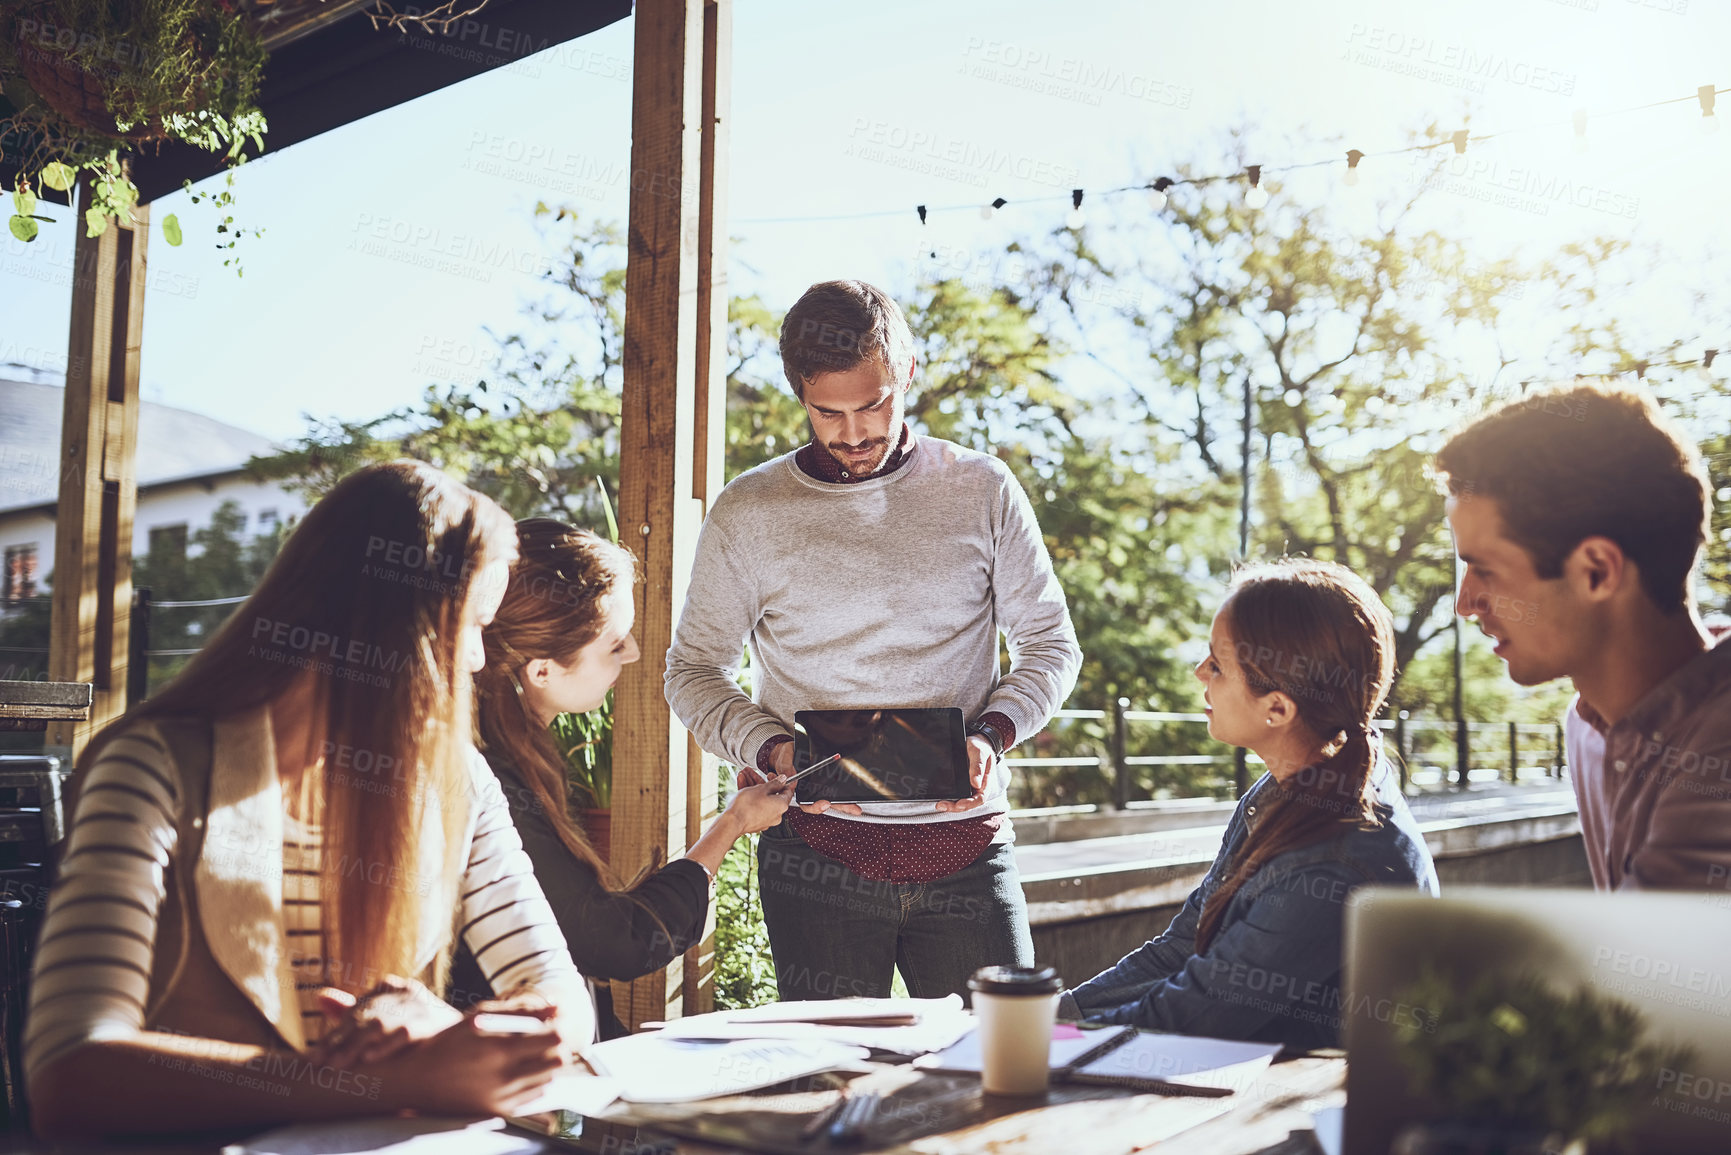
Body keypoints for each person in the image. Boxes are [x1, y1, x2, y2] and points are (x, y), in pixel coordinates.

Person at [25, 462, 592, 1139]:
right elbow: (69, 1071)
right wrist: (393, 1082)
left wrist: (454, 1028)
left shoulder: (458, 779)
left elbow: (559, 991)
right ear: (391, 628)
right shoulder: (153, 765)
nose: (476, 660)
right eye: (471, 626)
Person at [665, 279, 1082, 1002]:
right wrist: (776, 751)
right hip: (812, 855)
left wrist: (988, 738)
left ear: (909, 371)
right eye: (828, 412)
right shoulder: (747, 511)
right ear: (798, 391)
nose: (853, 432)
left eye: (874, 404)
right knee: (827, 1086)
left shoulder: (984, 488)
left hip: (969, 849)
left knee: (995, 1070)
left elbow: (1050, 645)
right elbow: (693, 670)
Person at [1061, 559, 1438, 1047]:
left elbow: (1193, 1015)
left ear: (1277, 707)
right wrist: (1056, 1012)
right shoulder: (1282, 794)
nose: (1199, 672)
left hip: (1329, 1110)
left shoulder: (1340, 857)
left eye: (1217, 665)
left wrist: (1032, 1031)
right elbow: (1183, 948)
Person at [450, 518, 794, 1034]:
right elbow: (615, 941)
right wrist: (731, 827)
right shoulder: (489, 778)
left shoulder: (513, 751)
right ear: (540, 670)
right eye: (614, 645)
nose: (634, 652)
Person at [1435, 381, 1731, 890]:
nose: (1465, 604)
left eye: (1484, 569)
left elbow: (1653, 966)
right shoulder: (1588, 728)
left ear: (1596, 571)